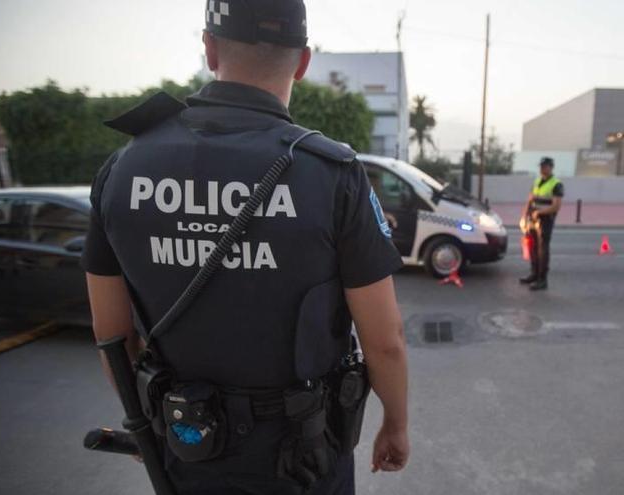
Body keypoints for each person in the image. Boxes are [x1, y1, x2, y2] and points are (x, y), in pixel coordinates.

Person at [82, 1, 409, 493]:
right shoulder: (330, 173)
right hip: (305, 458)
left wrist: (148, 426)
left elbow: (111, 335)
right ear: (303, 60)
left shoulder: (121, 170)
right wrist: (397, 424)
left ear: (210, 49)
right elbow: (385, 340)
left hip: (187, 446)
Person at [520, 157, 564, 291]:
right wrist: (524, 217)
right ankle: (534, 274)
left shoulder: (556, 184)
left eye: (545, 166)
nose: (542, 169)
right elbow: (530, 200)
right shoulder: (537, 181)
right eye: (541, 166)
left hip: (545, 220)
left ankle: (542, 280)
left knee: (542, 250)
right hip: (533, 220)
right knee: (532, 247)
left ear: (551, 167)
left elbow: (556, 206)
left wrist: (540, 212)